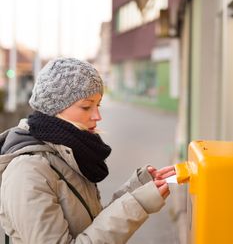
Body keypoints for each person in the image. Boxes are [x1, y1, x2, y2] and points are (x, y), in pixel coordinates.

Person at [0, 57, 175, 243]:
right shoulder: (28, 171)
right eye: (86, 106)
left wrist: (136, 190)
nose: (97, 116)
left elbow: (92, 226)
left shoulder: (69, 152)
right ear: (55, 107)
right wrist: (138, 204)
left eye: (97, 105)